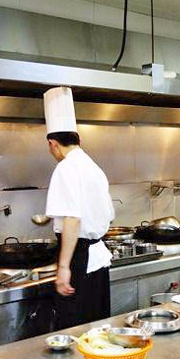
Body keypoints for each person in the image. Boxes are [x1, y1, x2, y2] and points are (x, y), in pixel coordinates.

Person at [44, 86, 115, 330]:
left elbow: (72, 220)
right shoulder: (93, 167)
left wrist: (63, 267)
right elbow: (107, 215)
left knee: (74, 331)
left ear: (52, 143)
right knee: (97, 330)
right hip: (98, 260)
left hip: (80, 260)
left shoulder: (65, 168)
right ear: (78, 140)